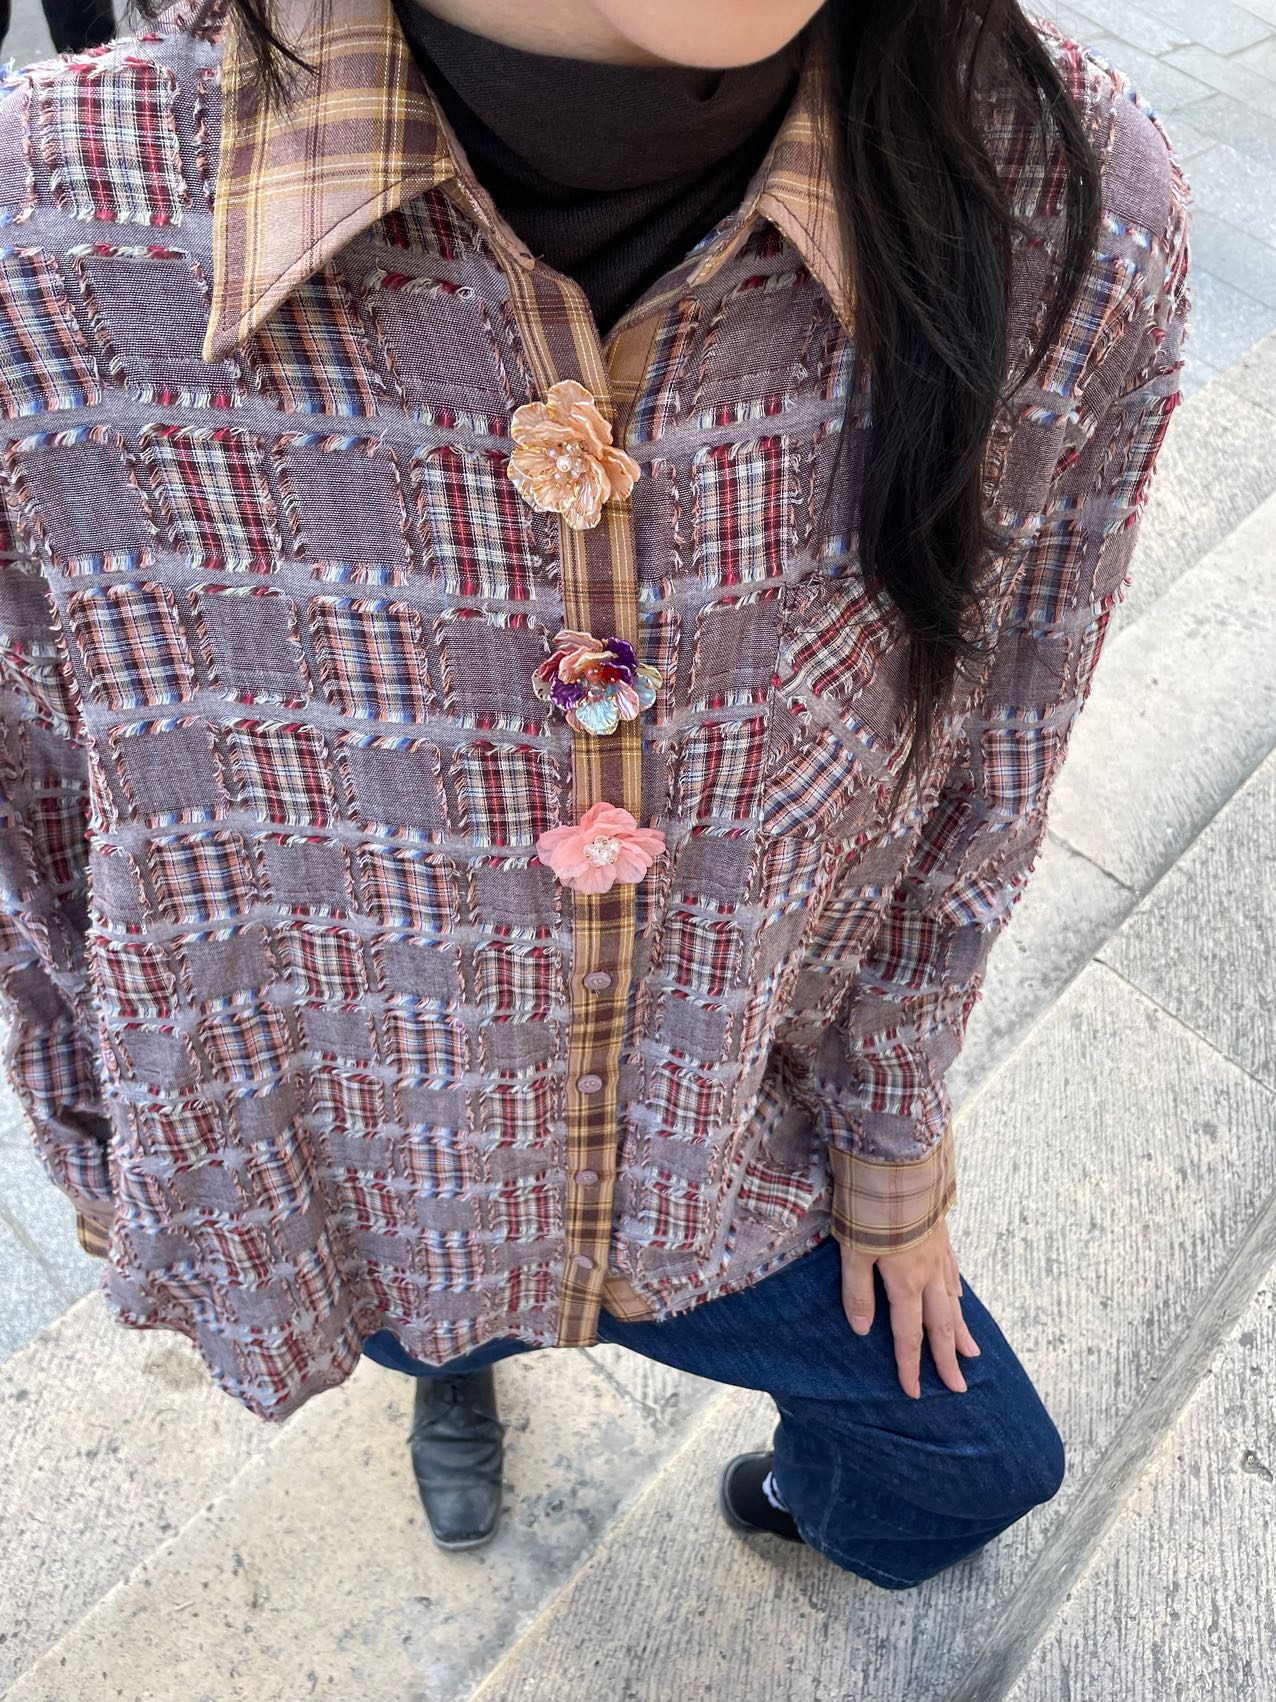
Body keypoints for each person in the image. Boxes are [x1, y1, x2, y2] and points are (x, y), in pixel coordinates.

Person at [0, 0, 1190, 1584]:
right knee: (429, 1319)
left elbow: (995, 764)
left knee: (975, 1462)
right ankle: (454, 1368)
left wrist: (893, 1146)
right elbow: (39, 810)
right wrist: (101, 1137)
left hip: (725, 1163)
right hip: (376, 1165)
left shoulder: (1064, 212)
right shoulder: (58, 242)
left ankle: (779, 1493)